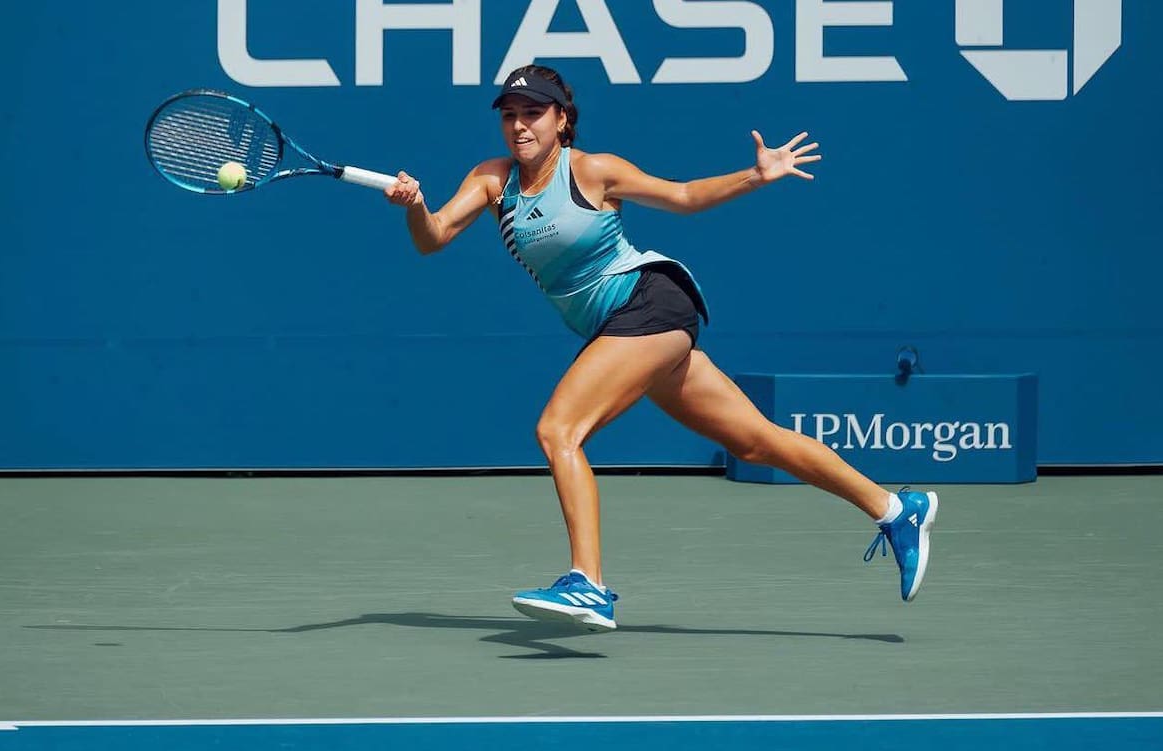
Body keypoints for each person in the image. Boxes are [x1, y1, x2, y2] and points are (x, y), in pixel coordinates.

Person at [385, 65, 937, 632]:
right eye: (510, 115)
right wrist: (415, 205)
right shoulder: (491, 180)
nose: (519, 126)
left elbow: (684, 196)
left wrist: (755, 175)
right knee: (755, 442)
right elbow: (434, 237)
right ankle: (897, 510)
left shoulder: (592, 170)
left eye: (533, 113)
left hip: (649, 303)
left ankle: (587, 583)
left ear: (562, 120)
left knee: (559, 430)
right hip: (626, 328)